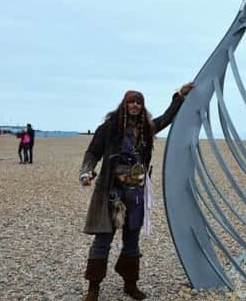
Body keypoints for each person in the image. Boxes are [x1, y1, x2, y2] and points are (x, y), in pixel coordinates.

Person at [79, 83, 194, 301]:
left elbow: (166, 118)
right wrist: (86, 172)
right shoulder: (109, 128)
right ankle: (93, 287)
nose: (135, 105)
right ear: (124, 104)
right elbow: (93, 153)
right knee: (103, 240)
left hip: (136, 194)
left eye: (138, 102)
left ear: (142, 107)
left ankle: (130, 284)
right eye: (131, 101)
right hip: (111, 193)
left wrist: (179, 96)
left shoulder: (146, 129)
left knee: (132, 240)